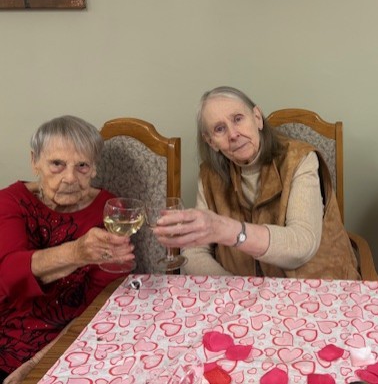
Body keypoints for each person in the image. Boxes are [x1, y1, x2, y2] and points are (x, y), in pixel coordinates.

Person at [153, 86, 359, 279]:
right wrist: (234, 289)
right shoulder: (210, 175)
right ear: (211, 142)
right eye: (219, 129)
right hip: (241, 294)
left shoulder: (300, 160)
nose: (233, 134)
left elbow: (301, 245)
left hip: (311, 289)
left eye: (238, 119)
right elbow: (194, 252)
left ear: (257, 118)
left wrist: (226, 230)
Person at [0, 116, 134, 382]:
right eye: (57, 164)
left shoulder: (110, 210)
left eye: (82, 165)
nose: (70, 177)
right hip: (10, 338)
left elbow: (101, 302)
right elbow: (8, 276)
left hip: (78, 341)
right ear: (35, 161)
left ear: (94, 168)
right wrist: (77, 253)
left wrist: (40, 361)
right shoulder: (10, 201)